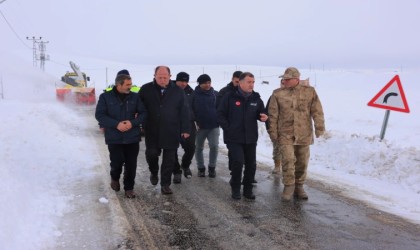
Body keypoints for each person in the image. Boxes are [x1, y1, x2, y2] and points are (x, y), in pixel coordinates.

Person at [267, 67, 325, 201]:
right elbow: (273, 115)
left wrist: (319, 127)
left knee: (302, 162)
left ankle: (299, 186)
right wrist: (273, 133)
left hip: (303, 133)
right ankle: (288, 186)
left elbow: (317, 111)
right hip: (285, 134)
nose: (284, 81)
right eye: (284, 79)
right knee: (287, 160)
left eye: (287, 79)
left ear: (296, 79)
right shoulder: (277, 94)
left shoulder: (309, 92)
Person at [139, 66, 190, 195]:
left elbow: (184, 110)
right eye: (159, 77)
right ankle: (154, 171)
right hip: (152, 130)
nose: (162, 80)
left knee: (169, 159)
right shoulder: (145, 89)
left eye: (165, 77)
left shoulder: (178, 91)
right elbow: (138, 107)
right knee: (151, 154)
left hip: (171, 129)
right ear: (154, 76)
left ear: (170, 76)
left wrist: (185, 128)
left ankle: (165, 185)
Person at [95, 74, 147, 198]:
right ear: (119, 85)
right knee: (116, 162)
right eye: (128, 84)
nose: (130, 86)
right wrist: (116, 124)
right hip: (114, 137)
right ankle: (115, 178)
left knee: (131, 164)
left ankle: (129, 188)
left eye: (131, 84)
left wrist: (132, 123)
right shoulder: (105, 97)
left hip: (132, 137)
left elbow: (144, 113)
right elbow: (100, 115)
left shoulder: (135, 97)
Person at [217, 72, 267, 200]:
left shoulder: (256, 98)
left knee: (251, 164)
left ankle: (248, 189)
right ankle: (235, 188)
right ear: (241, 82)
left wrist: (264, 116)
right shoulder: (230, 97)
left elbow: (262, 112)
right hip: (234, 137)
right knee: (238, 162)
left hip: (250, 137)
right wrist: (228, 129)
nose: (252, 85)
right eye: (249, 82)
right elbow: (220, 114)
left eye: (253, 82)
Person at [192, 74, 219, 178]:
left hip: (214, 126)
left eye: (209, 82)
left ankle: (212, 168)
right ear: (200, 84)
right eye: (205, 83)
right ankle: (201, 168)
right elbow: (190, 109)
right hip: (200, 127)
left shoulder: (215, 94)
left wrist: (219, 119)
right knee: (198, 148)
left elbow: (220, 109)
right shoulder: (194, 95)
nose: (207, 85)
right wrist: (194, 121)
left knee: (214, 146)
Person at [173, 72, 195, 181]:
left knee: (191, 147)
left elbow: (196, 107)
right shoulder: (169, 90)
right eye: (182, 81)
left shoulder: (191, 92)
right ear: (176, 80)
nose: (184, 83)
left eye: (186, 81)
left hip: (189, 123)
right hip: (172, 124)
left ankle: (185, 165)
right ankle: (176, 171)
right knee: (172, 149)